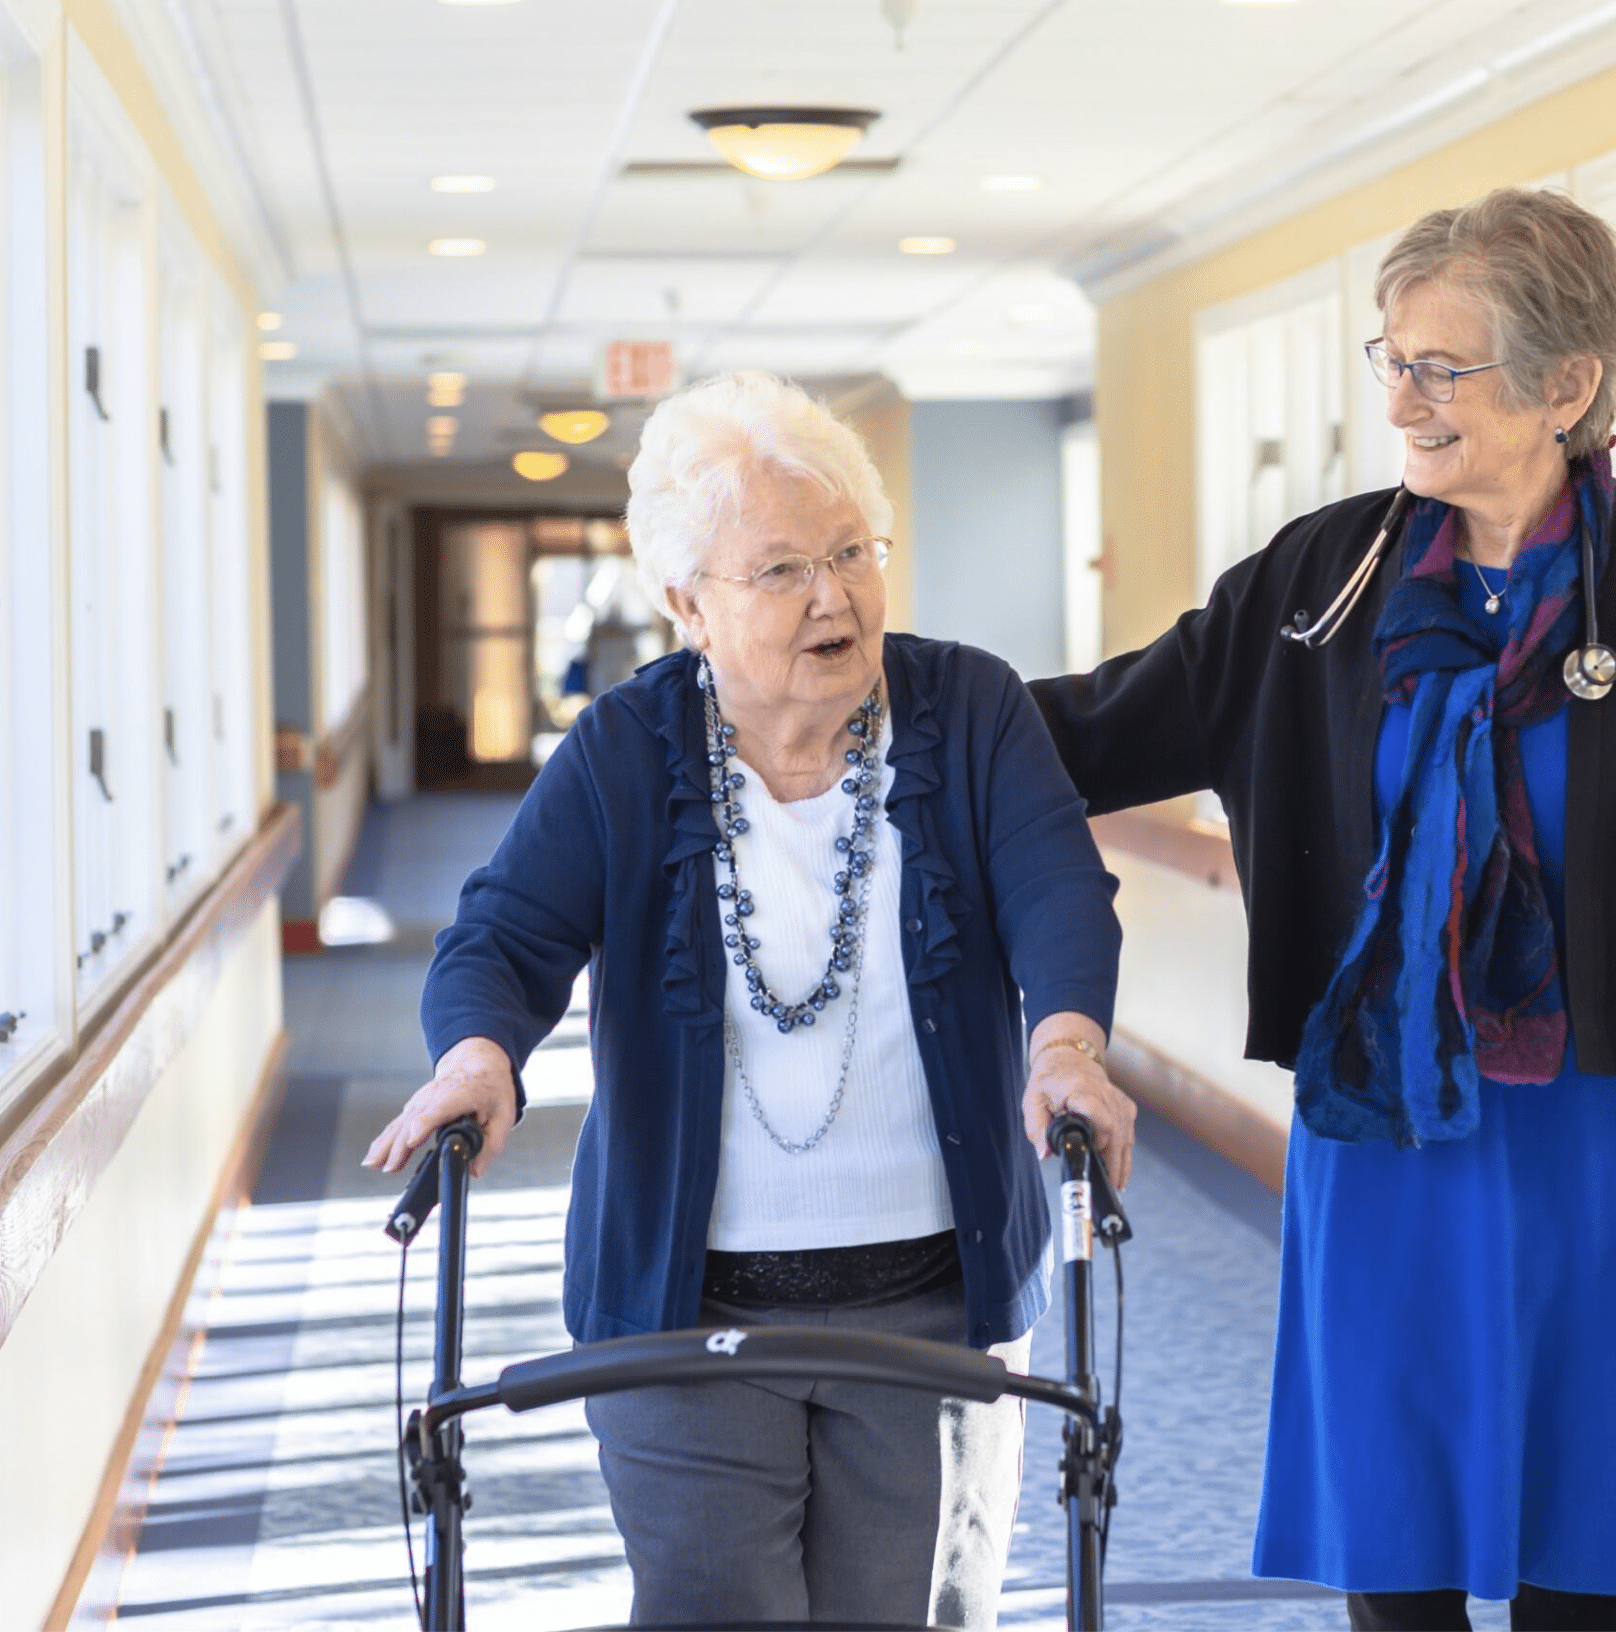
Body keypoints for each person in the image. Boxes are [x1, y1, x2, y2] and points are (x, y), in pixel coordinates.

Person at [1029, 188, 1616, 1632]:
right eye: (1390, 359)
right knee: (1392, 1525)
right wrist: (856, 691)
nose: (1402, 397)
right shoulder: (1324, 579)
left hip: (1611, 1125)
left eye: (1440, 366)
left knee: (1577, 1528)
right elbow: (1092, 728)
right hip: (1385, 1109)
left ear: (1567, 384)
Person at [367, 370, 1137, 1630]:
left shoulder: (972, 708)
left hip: (935, 1305)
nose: (832, 595)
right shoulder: (625, 747)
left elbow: (1058, 890)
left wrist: (1064, 1044)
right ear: (688, 604)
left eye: (852, 553)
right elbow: (502, 935)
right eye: (781, 570)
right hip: (686, 1314)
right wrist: (475, 1059)